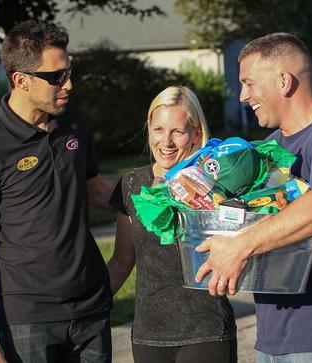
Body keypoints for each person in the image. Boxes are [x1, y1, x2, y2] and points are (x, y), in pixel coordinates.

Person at [195, 33, 312, 362]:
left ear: (284, 81)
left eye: (249, 83)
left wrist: (242, 244)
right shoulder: (272, 147)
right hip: (274, 335)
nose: (243, 96)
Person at [0, 20, 115, 363]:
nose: (68, 84)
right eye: (56, 76)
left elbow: (96, 191)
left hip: (91, 310)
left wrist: (164, 188)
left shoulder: (75, 122)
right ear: (21, 80)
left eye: (69, 71)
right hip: (26, 320)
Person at [107, 86, 238, 363]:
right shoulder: (131, 185)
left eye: (177, 131)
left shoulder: (216, 183)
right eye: (158, 129)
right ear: (148, 129)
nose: (166, 142)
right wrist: (89, 308)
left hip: (206, 332)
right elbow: (121, 261)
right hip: (148, 336)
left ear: (196, 133)